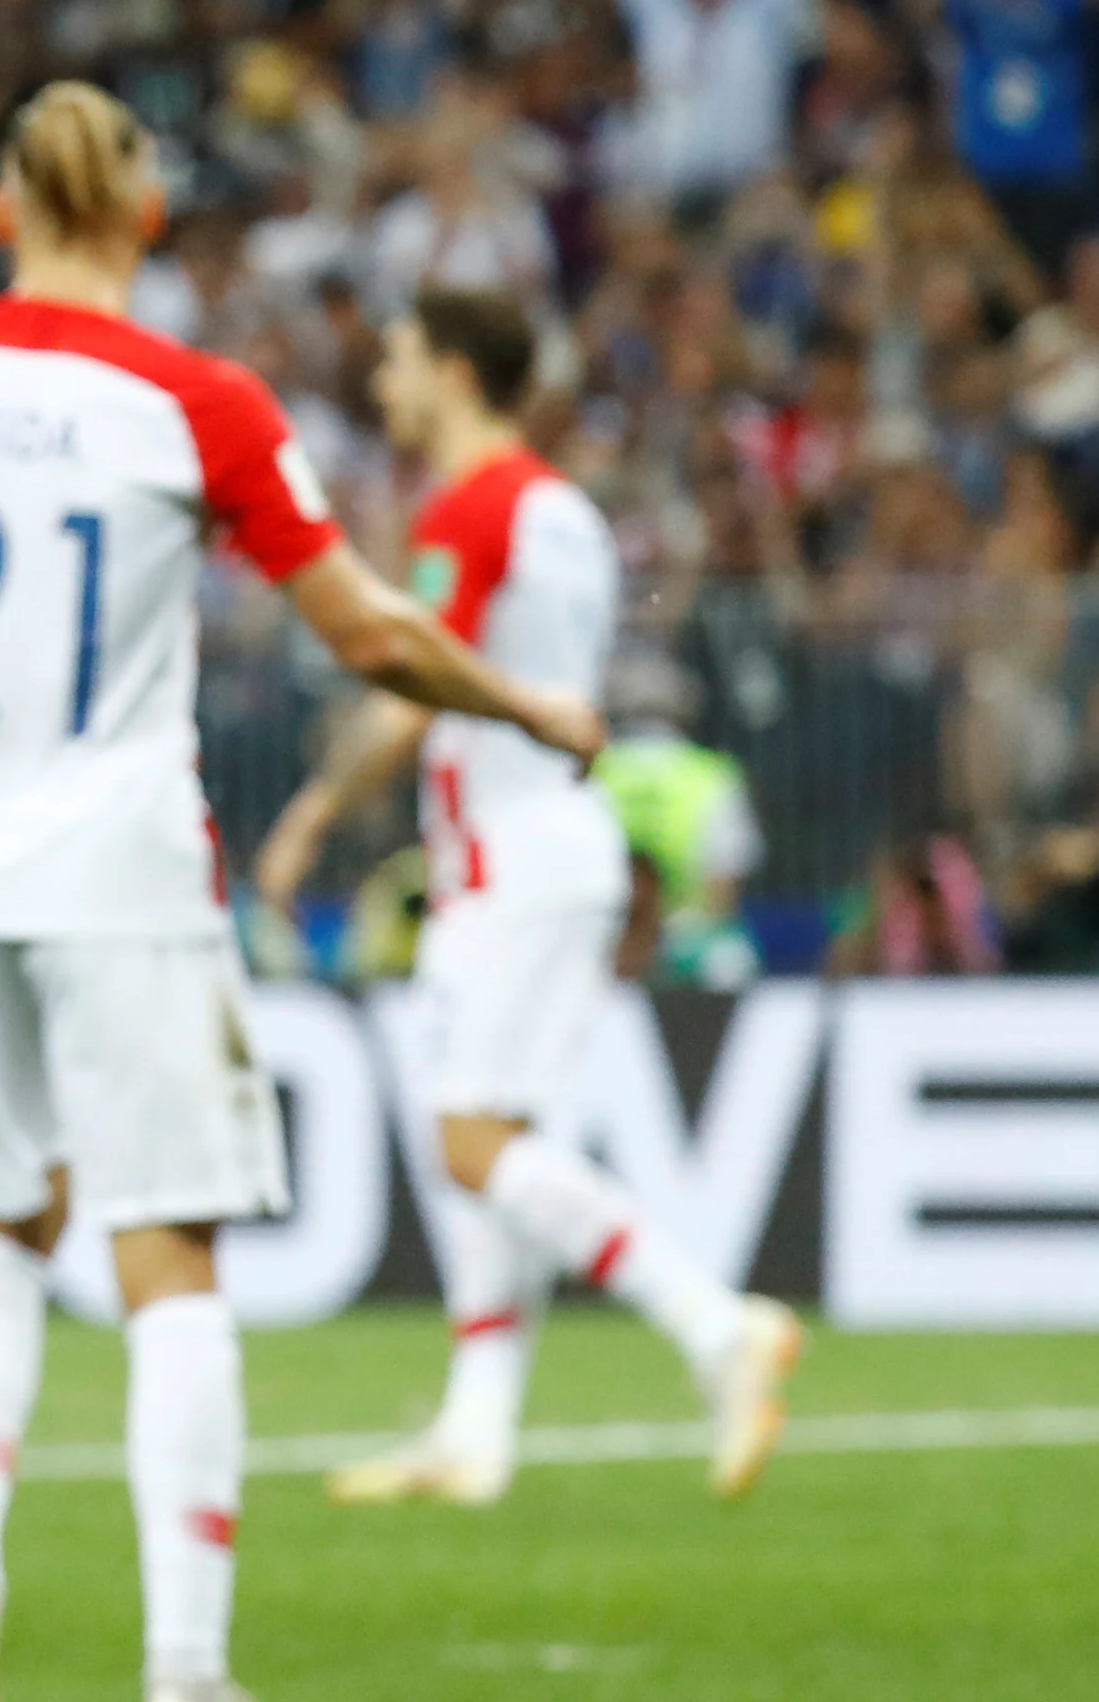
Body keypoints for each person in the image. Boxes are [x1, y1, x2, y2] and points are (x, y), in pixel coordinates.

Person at [0, 83, 605, 1702]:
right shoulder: (188, 400)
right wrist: (532, 706)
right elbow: (363, 630)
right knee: (167, 1260)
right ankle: (185, 1675)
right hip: (119, 870)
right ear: (143, 217)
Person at [251, 290, 806, 1513]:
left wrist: (308, 816)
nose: (383, 379)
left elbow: (412, 679)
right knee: (497, 1151)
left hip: (508, 856)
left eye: (398, 357)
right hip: (557, 845)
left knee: (474, 1145)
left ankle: (714, 1324)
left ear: (454, 372)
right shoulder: (566, 510)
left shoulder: (472, 507)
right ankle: (476, 1430)